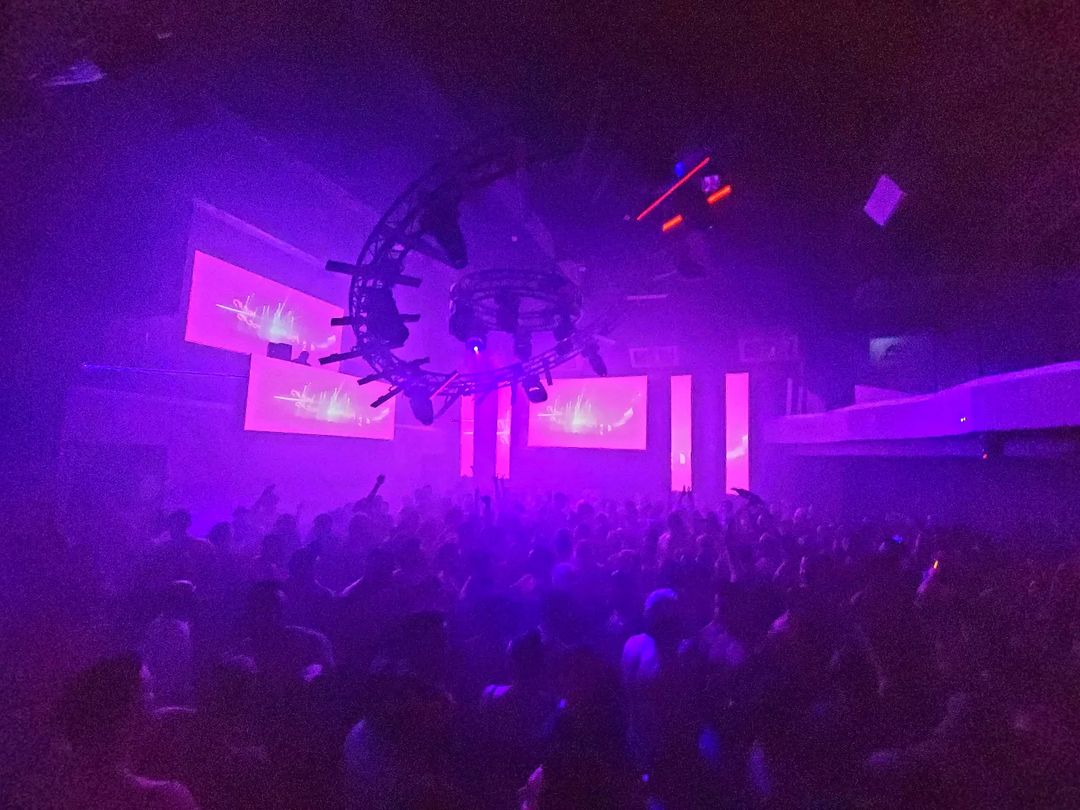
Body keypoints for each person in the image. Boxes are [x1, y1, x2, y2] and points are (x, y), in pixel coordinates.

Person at [57, 653, 199, 809]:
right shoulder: (164, 798)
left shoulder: (61, 786)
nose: (154, 697)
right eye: (148, 689)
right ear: (126, 708)